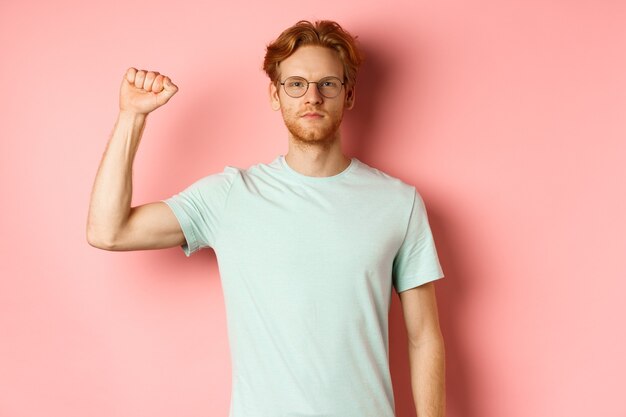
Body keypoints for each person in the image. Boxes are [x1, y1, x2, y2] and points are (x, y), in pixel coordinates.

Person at [87, 19, 446, 417]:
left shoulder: (398, 202)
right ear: (275, 95)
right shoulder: (230, 196)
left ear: (349, 95)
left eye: (328, 83)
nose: (312, 97)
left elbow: (424, 336)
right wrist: (132, 116)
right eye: (296, 84)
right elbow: (108, 231)